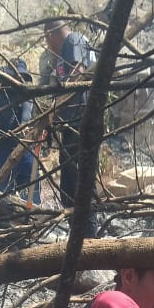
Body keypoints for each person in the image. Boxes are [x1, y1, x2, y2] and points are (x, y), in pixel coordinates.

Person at [43, 17, 97, 223]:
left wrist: (53, 112)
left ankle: (87, 235)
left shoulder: (73, 41)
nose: (49, 47)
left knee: (79, 184)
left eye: (47, 41)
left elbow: (77, 78)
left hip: (80, 122)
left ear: (50, 35)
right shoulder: (67, 49)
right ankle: (77, 230)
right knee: (69, 184)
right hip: (72, 124)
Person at [0, 59, 40, 202]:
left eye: (21, 76)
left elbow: (28, 114)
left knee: (31, 192)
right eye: (15, 75)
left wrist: (26, 126)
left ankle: (34, 213)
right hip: (2, 145)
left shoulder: (26, 92)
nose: (18, 79)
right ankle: (3, 214)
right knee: (3, 193)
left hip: (25, 146)